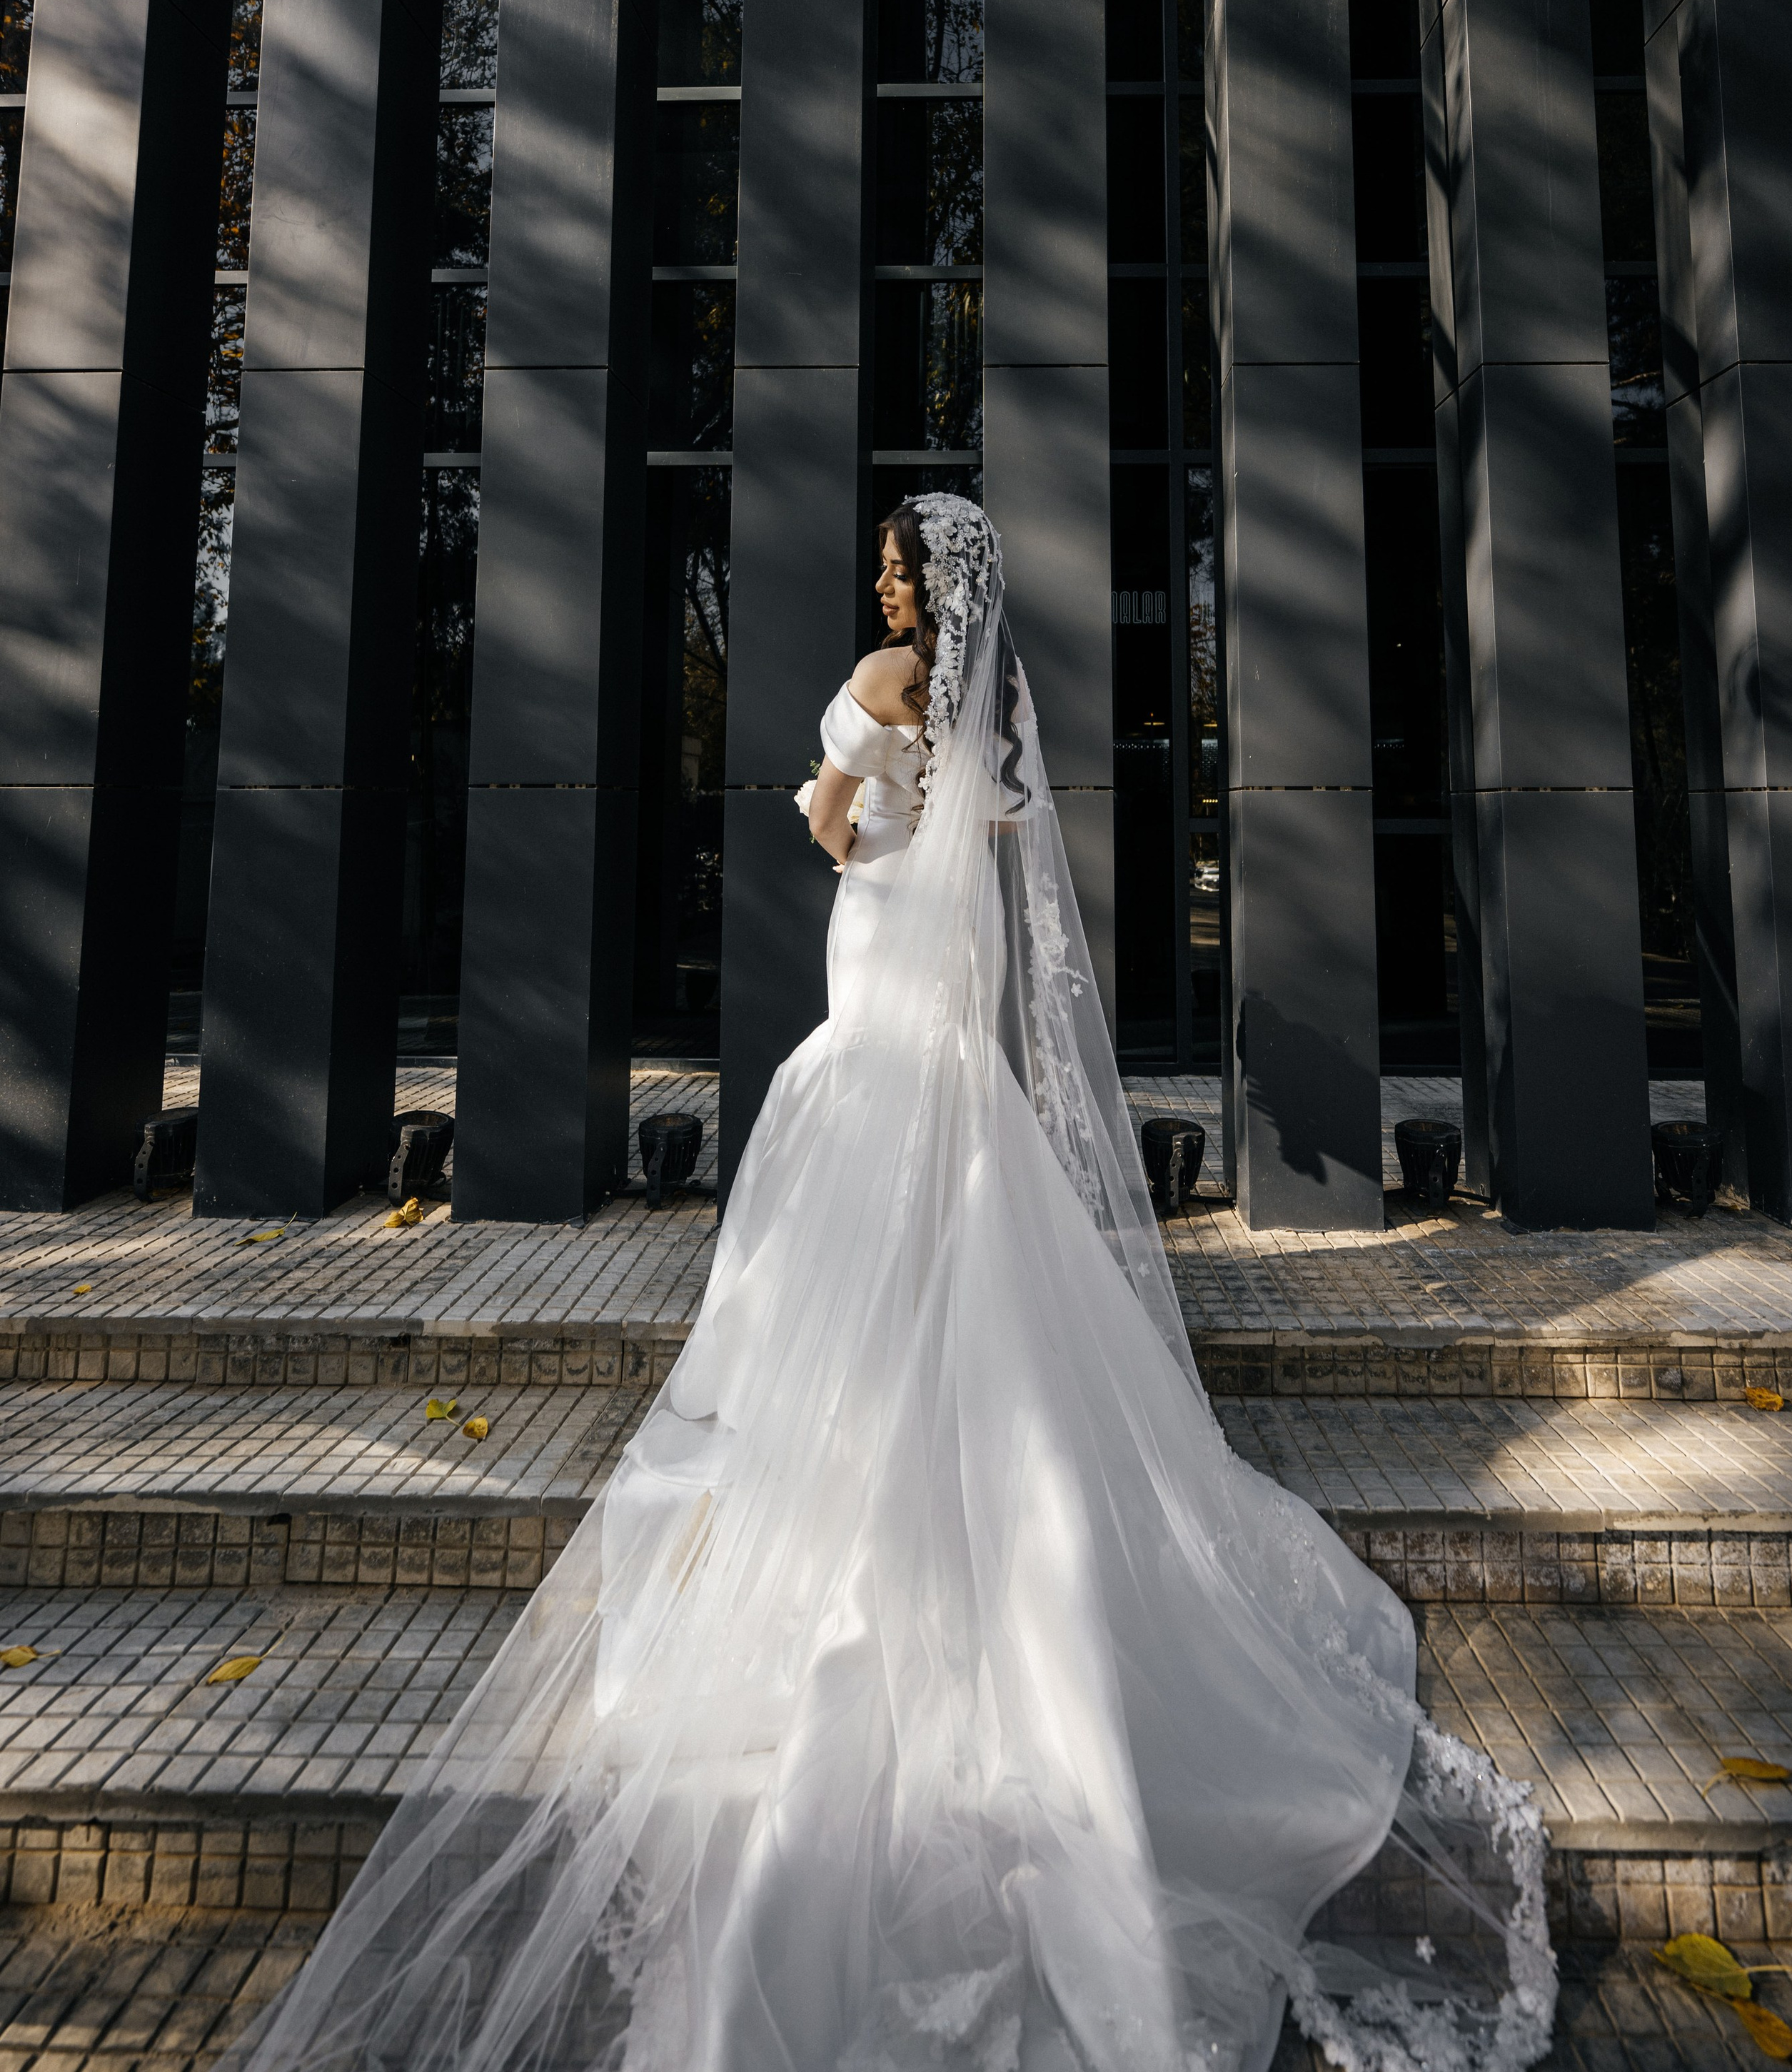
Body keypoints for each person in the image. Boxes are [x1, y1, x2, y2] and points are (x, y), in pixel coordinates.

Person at [229, 497, 1555, 2072]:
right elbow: (993, 857)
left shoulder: (889, 668)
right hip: (947, 1034)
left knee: (830, 1266)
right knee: (968, 1263)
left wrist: (839, 806)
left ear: (924, 585)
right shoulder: (992, 697)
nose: (880, 578)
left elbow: (826, 827)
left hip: (872, 1005)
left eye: (894, 560)